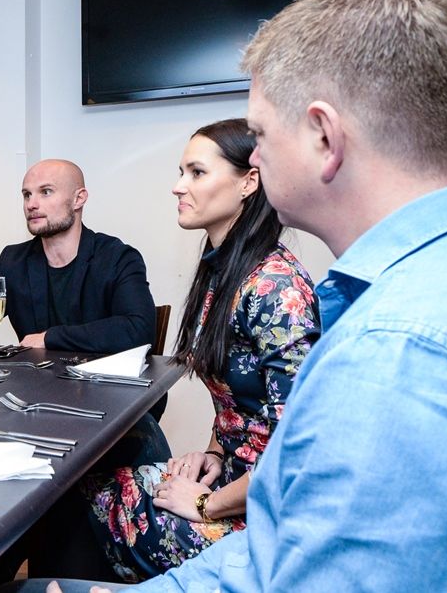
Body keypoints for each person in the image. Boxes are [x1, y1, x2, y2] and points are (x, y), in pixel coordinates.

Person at [8, 0, 447, 593]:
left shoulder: (389, 343)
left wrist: (205, 503)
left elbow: (295, 564)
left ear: (325, 136)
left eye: (260, 135)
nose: (256, 155)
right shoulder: (401, 296)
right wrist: (213, 460)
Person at [76, 119, 319, 583]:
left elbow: (296, 450)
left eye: (197, 172)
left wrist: (206, 503)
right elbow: (237, 399)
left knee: (104, 500)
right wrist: (214, 453)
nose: (178, 186)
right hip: (235, 477)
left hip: (267, 512)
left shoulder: (275, 288)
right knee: (89, 485)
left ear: (248, 182)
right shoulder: (223, 272)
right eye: (181, 172)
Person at [0, 158, 155, 359]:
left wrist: (49, 338)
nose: (32, 204)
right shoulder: (13, 260)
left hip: (105, 392)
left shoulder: (118, 257)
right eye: (27, 195)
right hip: (34, 390)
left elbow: (138, 329)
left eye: (46, 192)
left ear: (79, 199)